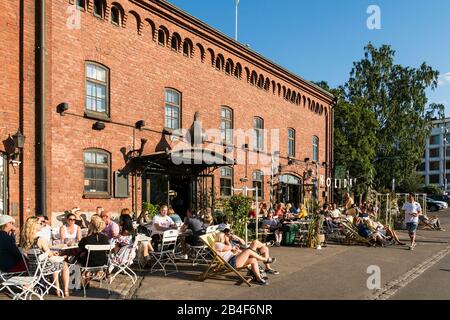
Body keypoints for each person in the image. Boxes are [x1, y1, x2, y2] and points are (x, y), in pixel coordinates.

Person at [21, 216, 70, 297]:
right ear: (34, 225)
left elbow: (29, 254)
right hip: (43, 268)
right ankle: (65, 290)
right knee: (64, 264)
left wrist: (50, 254)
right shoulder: (40, 239)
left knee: (55, 262)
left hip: (32, 268)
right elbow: (50, 255)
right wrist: (57, 255)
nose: (41, 225)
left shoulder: (25, 240)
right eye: (40, 223)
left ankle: (57, 289)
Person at [77, 215, 110, 287]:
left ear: (91, 226)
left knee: (79, 256)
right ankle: (90, 274)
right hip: (103, 262)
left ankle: (86, 276)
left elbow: (80, 247)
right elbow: (107, 251)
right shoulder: (105, 238)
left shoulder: (87, 239)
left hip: (89, 263)